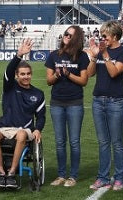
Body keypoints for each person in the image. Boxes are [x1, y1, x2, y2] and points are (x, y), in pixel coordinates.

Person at [0, 38, 45, 189]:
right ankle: (1, 173)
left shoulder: (38, 94)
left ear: (31, 74)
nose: (25, 76)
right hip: (5, 127)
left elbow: (41, 116)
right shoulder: (9, 87)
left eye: (28, 74)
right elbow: (7, 71)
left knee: (21, 135)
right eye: (22, 74)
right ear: (16, 75)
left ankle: (12, 173)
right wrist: (18, 56)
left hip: (24, 129)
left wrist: (38, 129)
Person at [85, 20, 123, 191]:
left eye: (104, 35)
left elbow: (114, 73)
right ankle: (103, 177)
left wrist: (104, 55)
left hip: (117, 102)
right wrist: (93, 55)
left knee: (117, 142)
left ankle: (119, 178)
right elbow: (90, 74)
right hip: (98, 101)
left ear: (114, 36)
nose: (101, 38)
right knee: (103, 142)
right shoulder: (100, 52)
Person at [45, 26, 89, 188]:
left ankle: (73, 176)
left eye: (70, 35)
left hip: (74, 103)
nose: (66, 36)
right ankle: (61, 174)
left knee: (74, 141)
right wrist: (56, 75)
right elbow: (48, 81)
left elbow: (84, 81)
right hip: (57, 103)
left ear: (76, 38)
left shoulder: (82, 57)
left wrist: (68, 74)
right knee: (59, 141)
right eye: (65, 34)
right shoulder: (54, 56)